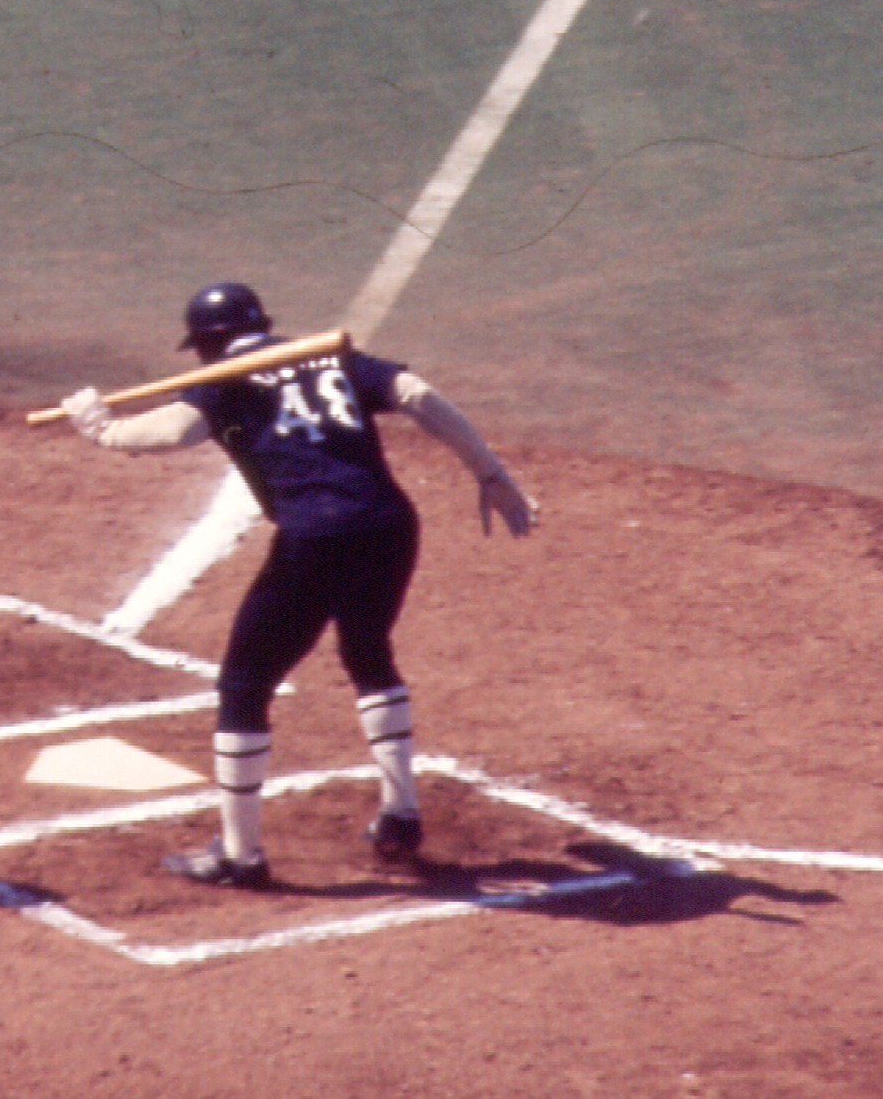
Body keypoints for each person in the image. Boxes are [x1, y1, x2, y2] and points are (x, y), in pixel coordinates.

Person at [57, 283, 538, 888]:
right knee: (367, 649)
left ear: (207, 343)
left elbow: (175, 431)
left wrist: (101, 429)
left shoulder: (226, 376)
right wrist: (489, 472)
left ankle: (241, 856)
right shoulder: (325, 355)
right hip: (388, 526)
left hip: (315, 539)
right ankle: (400, 815)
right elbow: (415, 393)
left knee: (243, 686)